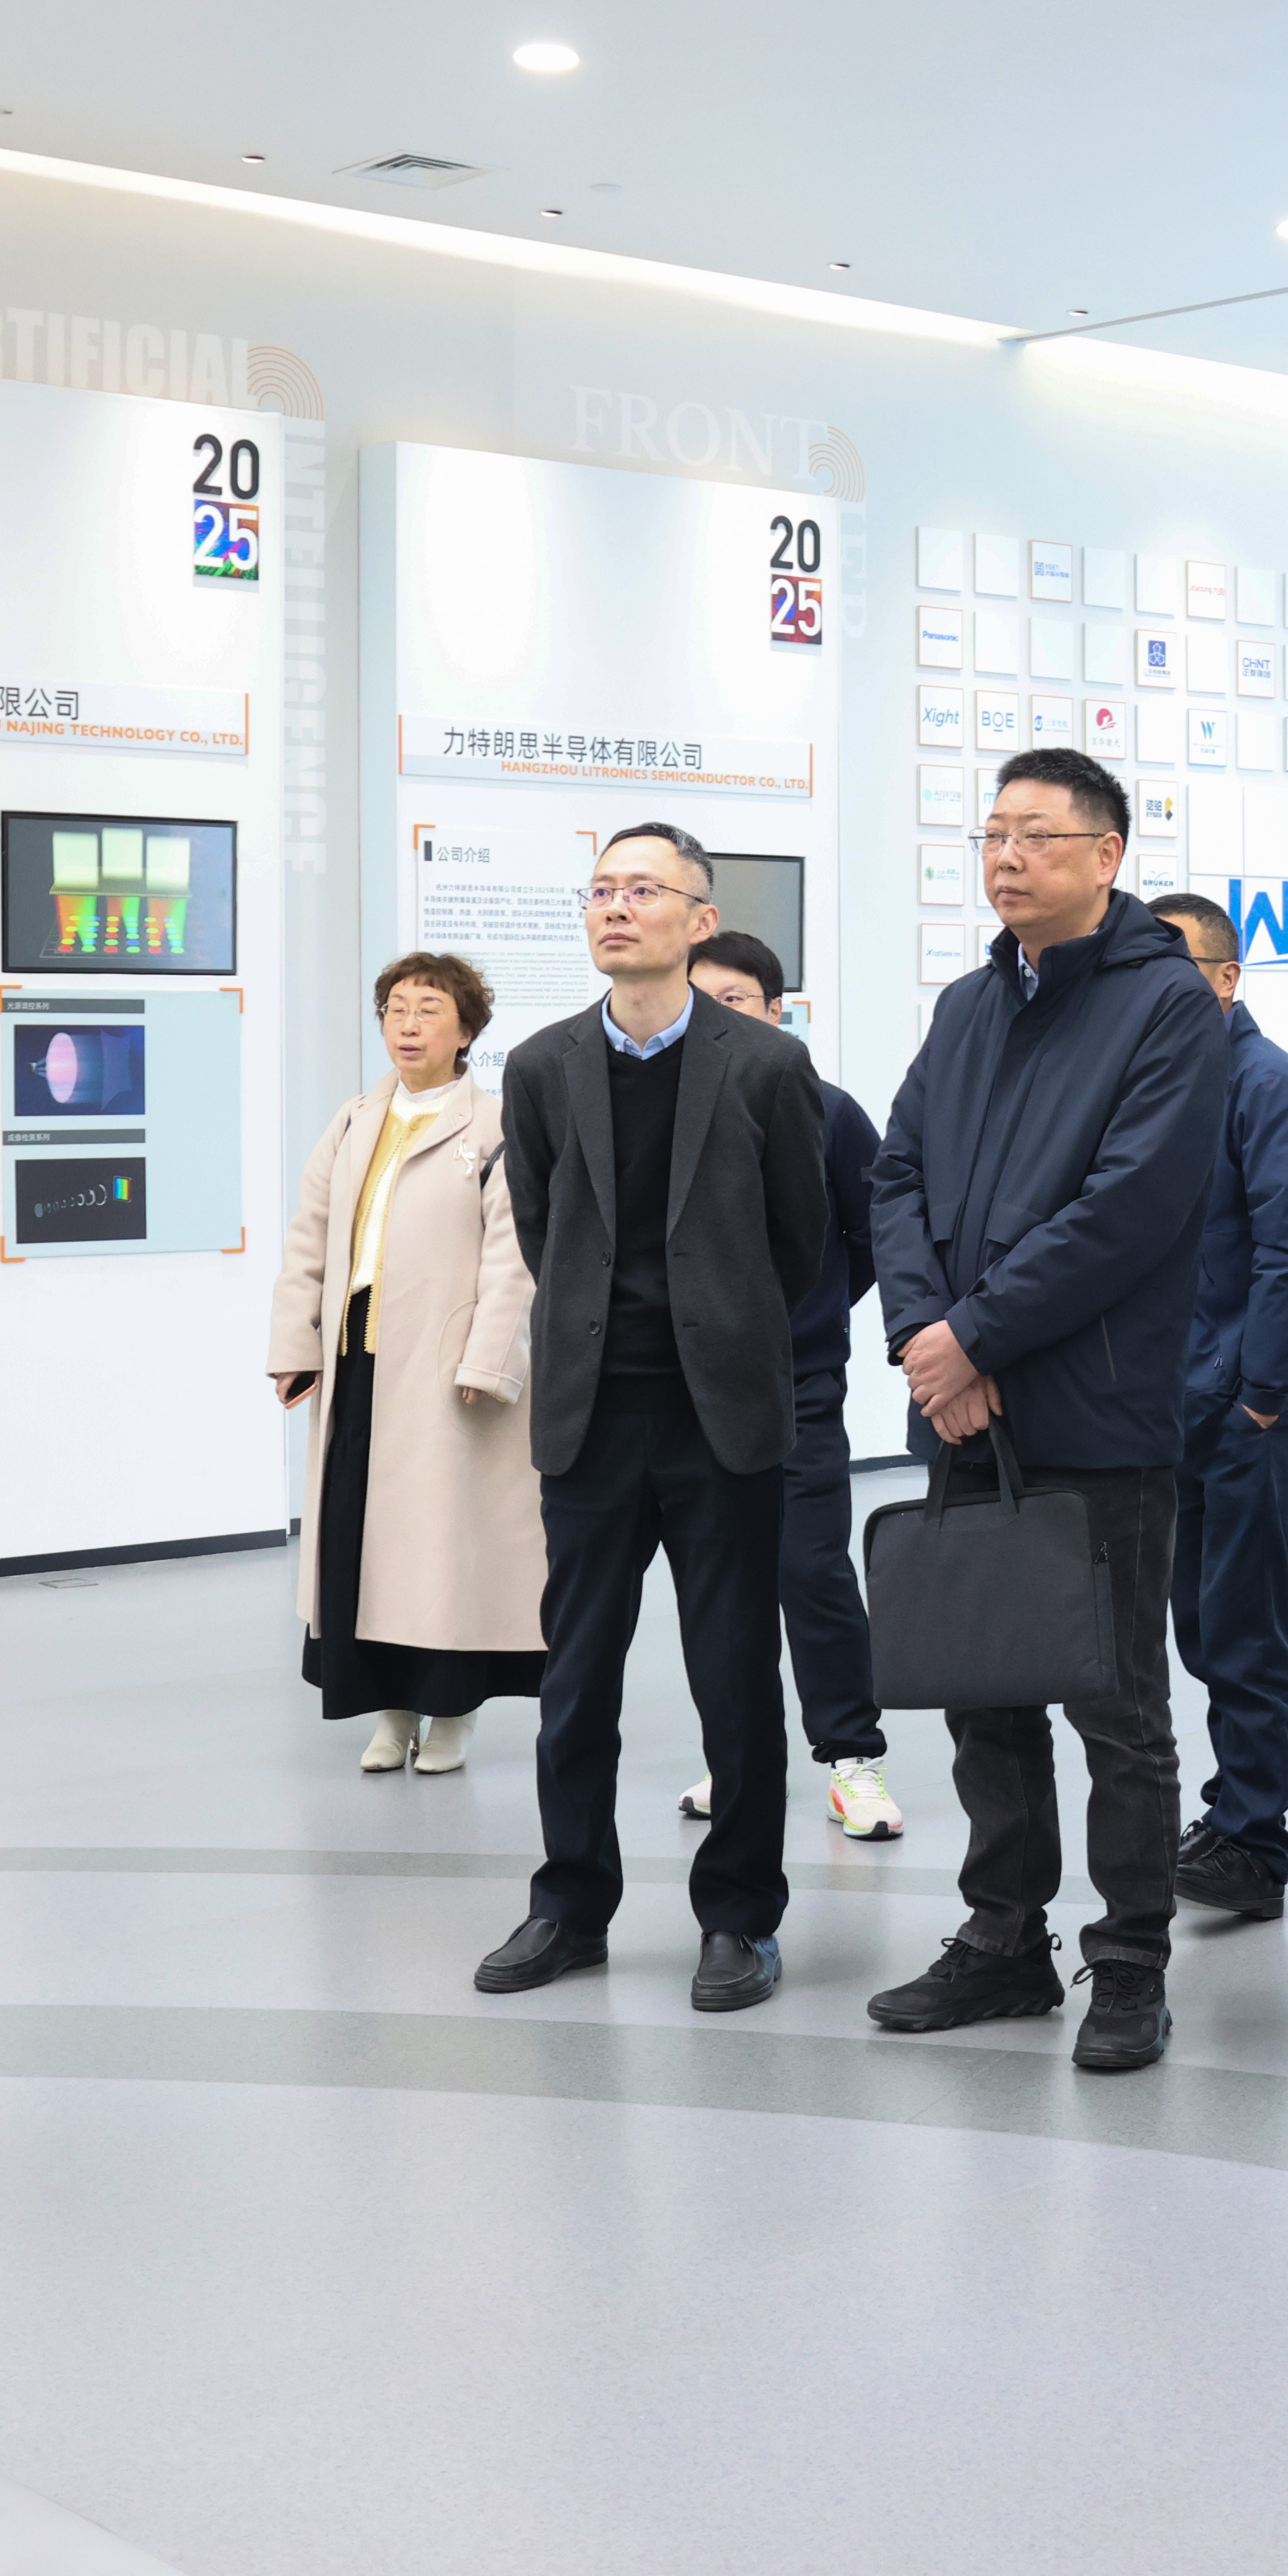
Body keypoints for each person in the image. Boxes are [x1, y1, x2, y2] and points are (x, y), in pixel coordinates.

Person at [865, 748, 1231, 2071]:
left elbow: (1129, 1209)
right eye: (992, 835)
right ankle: (1004, 1938)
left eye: (1037, 834)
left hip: (1093, 1409)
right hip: (963, 1407)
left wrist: (977, 1334)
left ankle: (1129, 1959)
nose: (1007, 857)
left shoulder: (1168, 1006)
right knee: (984, 1690)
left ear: (1108, 854)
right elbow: (898, 1176)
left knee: (1117, 1707)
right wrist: (927, 1336)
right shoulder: (970, 1003)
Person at [473, 826, 828, 2016]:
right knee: (576, 1678)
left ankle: (739, 1916)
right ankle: (570, 1906)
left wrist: (720, 1329)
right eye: (601, 890)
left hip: (719, 1419)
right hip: (591, 1417)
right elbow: (542, 1226)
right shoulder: (542, 1066)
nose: (616, 908)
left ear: (698, 918)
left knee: (735, 1675)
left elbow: (798, 1241)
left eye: (643, 890)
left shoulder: (765, 1067)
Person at [269, 952, 541, 1778]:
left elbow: (515, 1256)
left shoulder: (496, 1127)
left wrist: (489, 1360)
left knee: (441, 1550)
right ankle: (389, 1714)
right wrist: (295, 1344)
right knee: (363, 1545)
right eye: (395, 1009)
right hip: (359, 1363)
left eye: (428, 1010)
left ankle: (451, 1714)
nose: (408, 1025)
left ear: (466, 1031)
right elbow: (309, 1239)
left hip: (445, 1368)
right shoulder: (355, 1120)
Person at [674, 929, 902, 1843]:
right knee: (719, 1580)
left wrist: (809, 1312)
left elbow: (873, 1233)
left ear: (778, 1012)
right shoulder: (665, 1115)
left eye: (736, 1001)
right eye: (702, 1002)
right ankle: (736, 1761)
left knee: (810, 1569)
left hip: (800, 1380)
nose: (718, 1018)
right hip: (692, 1390)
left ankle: (852, 1760)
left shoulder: (829, 1109)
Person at [1151, 891, 1288, 1922]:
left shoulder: (1271, 1087)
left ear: (1227, 980)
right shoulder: (1164, 1083)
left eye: (1172, 967)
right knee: (1199, 1615)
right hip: (1187, 1394)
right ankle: (1230, 1810)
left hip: (1259, 1400)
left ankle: (1255, 1844)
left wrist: (1262, 1397)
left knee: (1242, 1621)